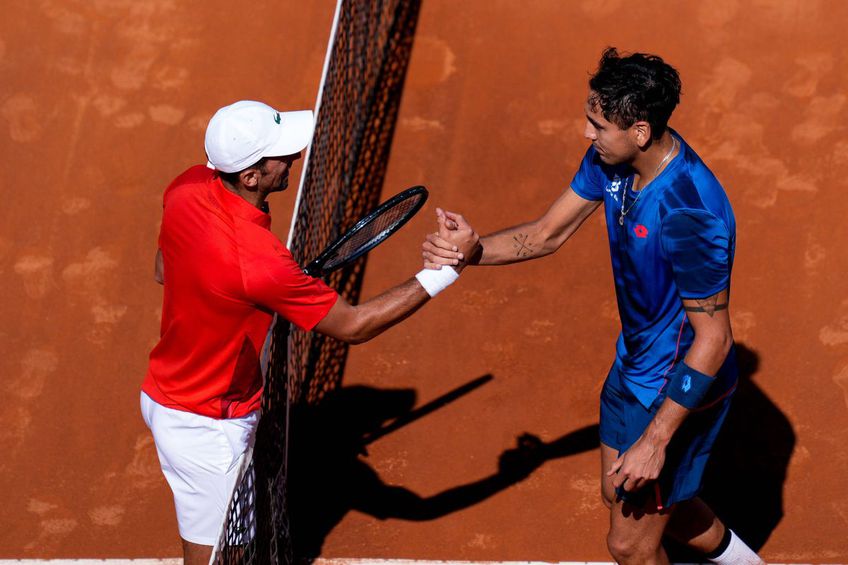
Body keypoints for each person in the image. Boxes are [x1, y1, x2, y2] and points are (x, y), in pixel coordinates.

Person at [423, 48, 764, 565]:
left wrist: (657, 438)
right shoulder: (613, 160)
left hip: (677, 383)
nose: (587, 134)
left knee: (629, 544)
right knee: (623, 493)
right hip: (633, 364)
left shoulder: (690, 215)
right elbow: (545, 234)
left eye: (598, 125)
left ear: (641, 132)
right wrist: (471, 252)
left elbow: (714, 341)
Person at [141, 99, 477, 564]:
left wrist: (243, 297)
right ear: (251, 177)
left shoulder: (187, 187)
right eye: (281, 155)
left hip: (168, 390)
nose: (295, 158)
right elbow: (356, 326)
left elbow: (165, 268)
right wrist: (445, 270)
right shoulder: (260, 262)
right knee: (223, 559)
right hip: (207, 424)